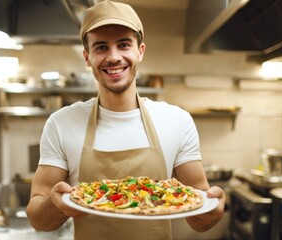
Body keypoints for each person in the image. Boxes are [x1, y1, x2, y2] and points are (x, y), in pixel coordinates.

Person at [26, 1, 226, 239]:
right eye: (101, 47)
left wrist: (213, 208)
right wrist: (54, 203)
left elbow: (200, 217)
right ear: (87, 56)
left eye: (123, 45)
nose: (113, 57)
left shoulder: (177, 121)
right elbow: (38, 219)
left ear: (140, 51)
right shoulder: (62, 123)